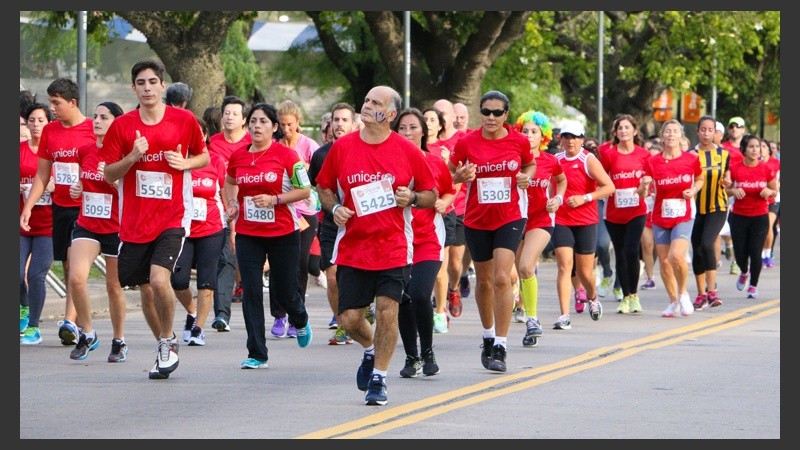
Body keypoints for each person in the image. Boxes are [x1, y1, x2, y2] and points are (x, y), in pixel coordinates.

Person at [316, 85, 437, 405]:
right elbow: (324, 187)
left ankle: (380, 379)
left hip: (394, 244)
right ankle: (370, 351)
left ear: (391, 114)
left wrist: (411, 197)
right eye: (367, 100)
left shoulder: (407, 151)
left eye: (376, 103)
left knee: (387, 310)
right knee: (350, 319)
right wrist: (334, 208)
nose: (367, 106)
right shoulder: (342, 148)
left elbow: (431, 194)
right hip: (354, 246)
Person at [101, 59, 210, 379]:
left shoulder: (184, 120)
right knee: (146, 290)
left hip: (172, 217)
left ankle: (167, 342)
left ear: (162, 86)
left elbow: (203, 155)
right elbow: (108, 174)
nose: (147, 88)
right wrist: (133, 157)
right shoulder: (123, 127)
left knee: (161, 280)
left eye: (152, 82)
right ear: (133, 88)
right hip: (134, 223)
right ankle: (165, 340)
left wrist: (185, 162)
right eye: (141, 83)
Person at [448, 90, 535, 372]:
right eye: (486, 111)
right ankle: (487, 336)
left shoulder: (518, 141)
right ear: (480, 113)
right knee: (484, 282)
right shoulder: (467, 141)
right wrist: (458, 177)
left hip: (510, 216)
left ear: (506, 115)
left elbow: (530, 164)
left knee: (501, 278)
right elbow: (449, 173)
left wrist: (526, 177)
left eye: (497, 112)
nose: (491, 117)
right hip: (476, 219)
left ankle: (501, 344)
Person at [222, 102, 313, 370]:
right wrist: (232, 203)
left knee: (284, 290)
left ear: (274, 127)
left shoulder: (286, 156)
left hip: (283, 232)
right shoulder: (238, 157)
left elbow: (305, 190)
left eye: (263, 122)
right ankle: (257, 352)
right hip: (250, 233)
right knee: (251, 290)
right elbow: (230, 182)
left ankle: (300, 318)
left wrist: (275, 199)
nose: (256, 126)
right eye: (253, 121)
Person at [19, 77, 96, 346]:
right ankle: (75, 321)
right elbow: (42, 174)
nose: (52, 108)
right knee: (66, 265)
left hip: (86, 209)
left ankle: (69, 321)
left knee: (76, 266)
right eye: (51, 102)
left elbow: (102, 165)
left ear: (72, 102)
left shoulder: (90, 129)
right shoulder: (51, 131)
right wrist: (28, 207)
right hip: (60, 207)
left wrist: (85, 183)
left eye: (56, 103)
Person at [391, 107, 456, 377]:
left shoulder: (434, 162)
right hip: (396, 241)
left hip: (427, 239)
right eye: (402, 128)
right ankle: (411, 356)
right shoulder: (387, 162)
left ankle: (427, 350)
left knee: (418, 294)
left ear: (424, 131)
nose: (407, 133)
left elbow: (450, 192)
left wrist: (442, 202)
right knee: (403, 298)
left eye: (413, 127)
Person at [64, 101, 130, 361]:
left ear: (117, 122)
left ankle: (119, 340)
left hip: (115, 227)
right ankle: (88, 333)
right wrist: (78, 189)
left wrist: (114, 182)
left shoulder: (124, 154)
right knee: (77, 277)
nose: (97, 121)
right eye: (95, 116)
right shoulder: (85, 150)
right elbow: (83, 179)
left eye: (104, 117)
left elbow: (131, 191)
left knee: (114, 287)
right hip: (88, 223)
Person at [551, 121, 615, 330]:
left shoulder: (588, 160)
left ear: (582, 139)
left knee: (585, 272)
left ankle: (592, 296)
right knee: (564, 265)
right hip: (561, 219)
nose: (571, 141)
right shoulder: (555, 160)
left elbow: (609, 187)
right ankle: (564, 315)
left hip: (585, 220)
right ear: (560, 139)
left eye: (575, 137)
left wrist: (585, 197)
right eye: (566, 137)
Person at [170, 116, 227, 347]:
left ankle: (198, 329)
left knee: (206, 280)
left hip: (212, 228)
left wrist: (232, 226)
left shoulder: (216, 161)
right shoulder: (176, 160)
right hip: (183, 229)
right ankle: (192, 311)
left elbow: (225, 194)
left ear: (204, 136)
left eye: (198, 133)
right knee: (178, 280)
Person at [512, 110, 566, 347]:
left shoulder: (550, 161)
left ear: (543, 136)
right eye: (525, 131)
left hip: (540, 219)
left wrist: (558, 198)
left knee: (526, 267)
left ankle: (532, 320)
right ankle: (522, 312)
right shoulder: (512, 159)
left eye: (534, 132)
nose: (529, 135)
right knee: (514, 274)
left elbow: (562, 180)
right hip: (514, 219)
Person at [642, 119, 704, 318]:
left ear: (681, 136)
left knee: (676, 256)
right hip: (660, 215)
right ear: (662, 136)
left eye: (675, 131)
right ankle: (673, 301)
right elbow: (642, 192)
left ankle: (684, 292)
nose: (670, 135)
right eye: (667, 131)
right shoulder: (653, 162)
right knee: (664, 260)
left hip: (683, 215)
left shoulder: (691, 159)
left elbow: (700, 178)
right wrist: (644, 185)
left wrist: (693, 189)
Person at [308, 103, 358, 345]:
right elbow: (316, 188)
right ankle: (342, 324)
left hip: (360, 223)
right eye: (336, 120)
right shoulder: (321, 155)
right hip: (331, 223)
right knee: (333, 276)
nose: (339, 124)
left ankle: (360, 312)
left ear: (354, 124)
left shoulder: (364, 150)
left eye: (344, 120)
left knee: (359, 275)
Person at [272, 99, 320, 338]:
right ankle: (279, 315)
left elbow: (318, 175)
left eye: (290, 124)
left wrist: (303, 169)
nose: (286, 129)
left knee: (300, 264)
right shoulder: (274, 145)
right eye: (282, 125)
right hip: (279, 209)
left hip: (305, 211)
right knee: (280, 263)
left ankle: (296, 315)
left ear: (298, 123)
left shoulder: (309, 145)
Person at [598, 114, 651, 314]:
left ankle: (634, 295)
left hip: (637, 210)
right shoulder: (609, 155)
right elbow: (601, 178)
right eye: (620, 128)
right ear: (616, 133)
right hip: (614, 212)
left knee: (631, 251)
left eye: (627, 128)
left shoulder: (644, 155)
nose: (623, 131)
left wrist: (645, 185)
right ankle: (625, 296)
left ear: (635, 131)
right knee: (620, 253)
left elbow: (650, 179)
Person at [208, 96, 251, 333]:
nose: (230, 117)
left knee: (245, 261)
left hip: (253, 211)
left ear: (244, 120)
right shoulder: (212, 144)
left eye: (235, 113)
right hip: (221, 210)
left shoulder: (251, 143)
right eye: (226, 113)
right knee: (225, 260)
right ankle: (222, 314)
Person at [19, 104, 55, 345]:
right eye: (31, 120)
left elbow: (69, 180)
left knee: (36, 275)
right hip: (21, 222)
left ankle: (34, 327)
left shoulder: (54, 151)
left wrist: (53, 187)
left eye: (40, 120)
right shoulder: (19, 149)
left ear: (48, 123)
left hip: (48, 226)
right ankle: (23, 307)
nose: (35, 125)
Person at [726, 134, 778, 299]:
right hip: (739, 216)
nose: (755, 150)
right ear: (744, 149)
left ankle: (753, 285)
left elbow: (774, 191)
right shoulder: (735, 168)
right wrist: (733, 191)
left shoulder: (766, 169)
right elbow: (725, 190)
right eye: (751, 147)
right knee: (740, 253)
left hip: (759, 215)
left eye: (758, 146)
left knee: (755, 252)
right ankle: (744, 271)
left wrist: (769, 192)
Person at [431, 99, 469, 320]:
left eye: (443, 113)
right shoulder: (428, 143)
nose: (440, 117)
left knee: (455, 263)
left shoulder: (462, 140)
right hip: (436, 209)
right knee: (439, 262)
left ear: (453, 117)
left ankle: (453, 289)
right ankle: (439, 304)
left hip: (461, 206)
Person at [690, 116, 732, 310]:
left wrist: (728, 183)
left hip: (718, 205)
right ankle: (701, 294)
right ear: (698, 131)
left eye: (710, 130)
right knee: (697, 249)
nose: (706, 134)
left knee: (708, 243)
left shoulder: (724, 155)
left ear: (715, 132)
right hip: (695, 208)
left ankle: (712, 290)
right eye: (703, 129)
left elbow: (728, 177)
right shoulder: (690, 155)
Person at [421, 106, 451, 333]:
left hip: (440, 215)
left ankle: (440, 310)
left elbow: (454, 184)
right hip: (411, 219)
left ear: (440, 125)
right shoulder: (408, 149)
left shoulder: (444, 151)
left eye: (433, 120)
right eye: (425, 119)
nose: (428, 123)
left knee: (442, 269)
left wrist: (445, 202)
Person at [760, 139, 780, 268]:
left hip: (773, 199)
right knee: (761, 228)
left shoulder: (776, 162)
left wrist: (775, 188)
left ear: (768, 149)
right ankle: (761, 254)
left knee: (768, 225)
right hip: (759, 200)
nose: (760, 148)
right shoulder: (755, 162)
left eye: (763, 146)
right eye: (758, 146)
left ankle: (767, 254)